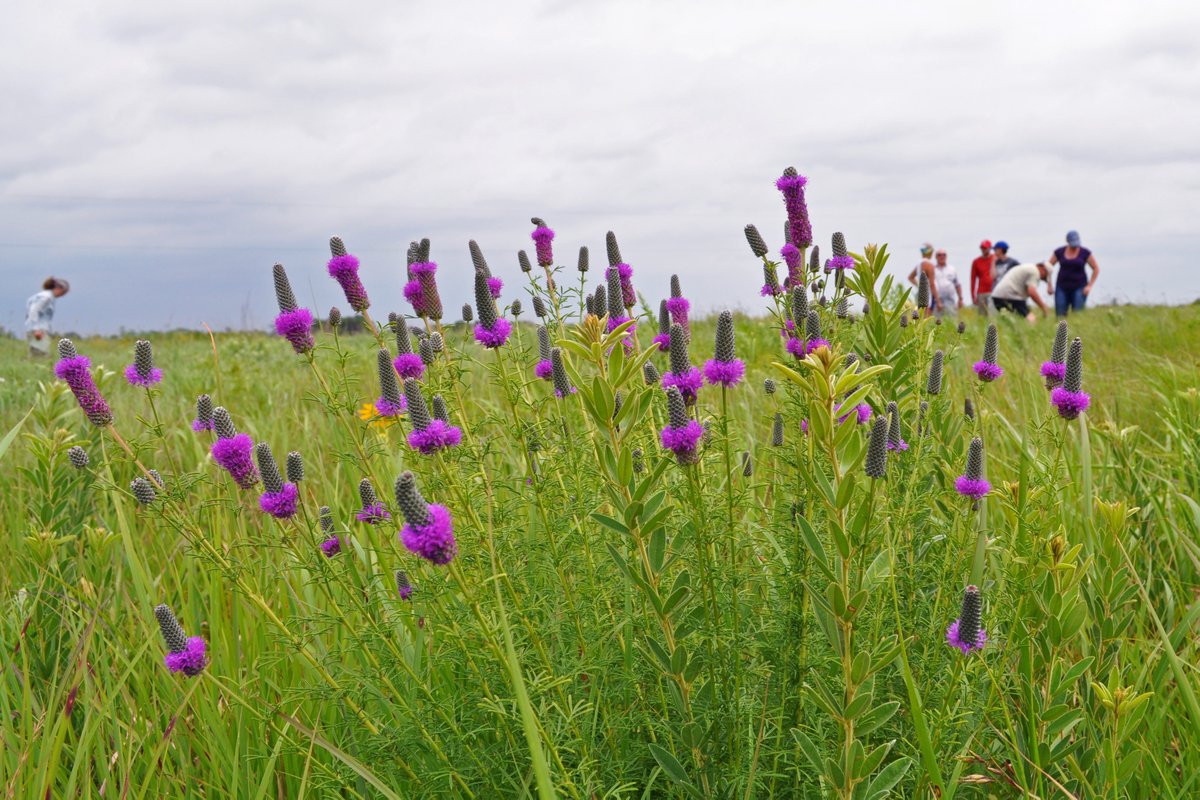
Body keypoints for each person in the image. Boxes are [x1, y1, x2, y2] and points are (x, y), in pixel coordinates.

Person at [1046, 230, 1099, 316]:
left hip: (1080, 288)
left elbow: (1096, 268)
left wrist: (1089, 286)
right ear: (1067, 242)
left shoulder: (1085, 253)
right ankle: (1062, 330)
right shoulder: (1059, 252)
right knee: (1061, 316)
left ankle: (1077, 329)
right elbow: (1048, 267)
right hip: (1062, 287)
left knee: (1078, 314)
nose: (1075, 245)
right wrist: (1049, 285)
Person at [25, 277, 70, 357]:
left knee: (38, 354)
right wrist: (36, 329)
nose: (62, 295)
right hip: (39, 329)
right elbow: (34, 310)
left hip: (37, 328)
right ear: (58, 288)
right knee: (40, 355)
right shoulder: (46, 297)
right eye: (63, 292)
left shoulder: (44, 295)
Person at [907, 243, 940, 316]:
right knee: (925, 317)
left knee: (920, 315)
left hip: (920, 293)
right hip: (928, 295)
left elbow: (910, 277)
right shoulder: (929, 265)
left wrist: (920, 286)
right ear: (930, 252)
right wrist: (938, 300)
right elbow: (932, 284)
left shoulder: (919, 264)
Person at [930, 248, 963, 317]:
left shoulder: (952, 269)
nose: (942, 256)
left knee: (952, 323)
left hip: (950, 301)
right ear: (936, 257)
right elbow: (931, 285)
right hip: (937, 302)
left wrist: (960, 298)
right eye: (939, 255)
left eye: (944, 255)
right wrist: (938, 301)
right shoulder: (932, 269)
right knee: (937, 324)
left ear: (946, 256)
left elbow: (957, 285)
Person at [969, 240, 995, 316]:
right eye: (982, 248)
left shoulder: (995, 258)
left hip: (993, 291)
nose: (983, 250)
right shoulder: (976, 261)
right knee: (982, 316)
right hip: (981, 292)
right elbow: (973, 279)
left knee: (992, 315)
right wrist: (973, 296)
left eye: (985, 248)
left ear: (990, 248)